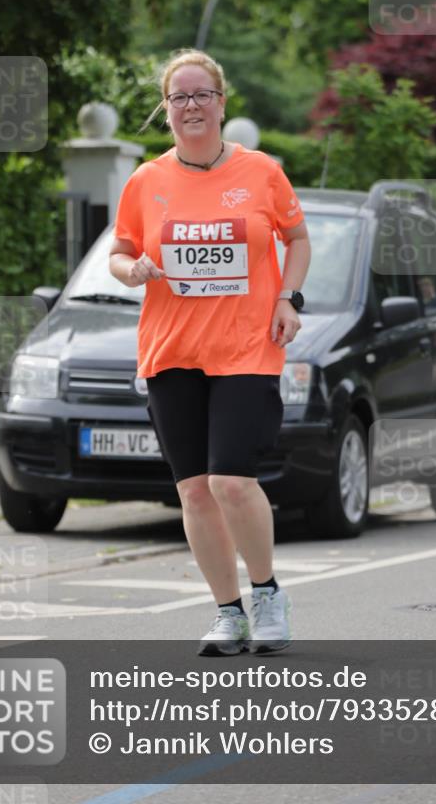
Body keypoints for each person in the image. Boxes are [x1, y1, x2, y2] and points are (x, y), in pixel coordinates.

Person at [108, 49, 311, 656]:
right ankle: (229, 613)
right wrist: (132, 268)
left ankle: (268, 593)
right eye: (179, 98)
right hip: (171, 349)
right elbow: (119, 252)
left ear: (222, 103)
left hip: (247, 347)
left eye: (202, 95)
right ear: (165, 111)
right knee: (193, 489)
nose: (191, 106)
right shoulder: (147, 181)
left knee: (230, 480)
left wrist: (289, 297)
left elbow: (296, 238)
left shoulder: (261, 172)